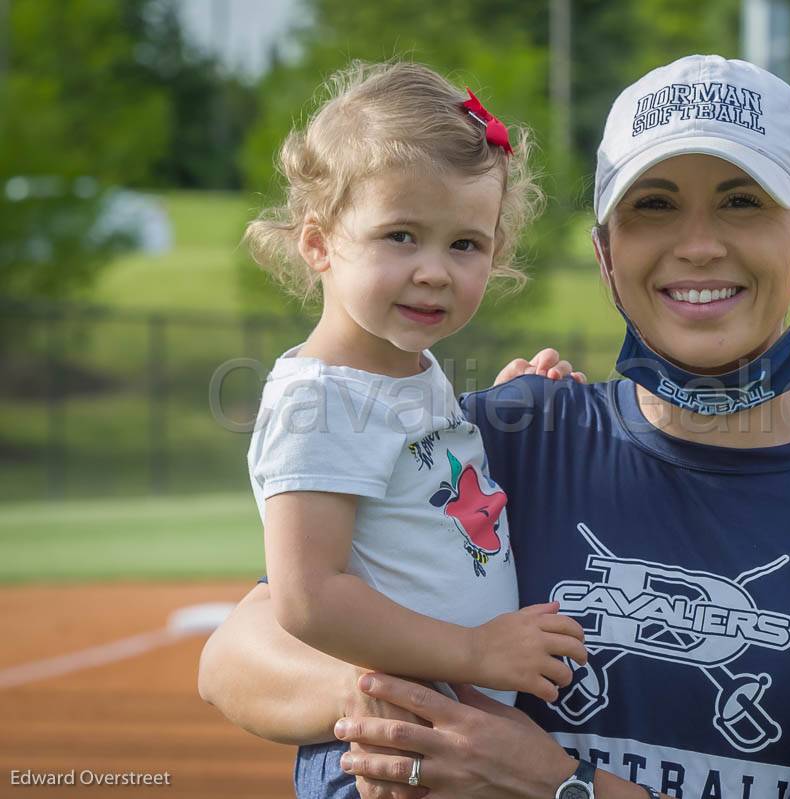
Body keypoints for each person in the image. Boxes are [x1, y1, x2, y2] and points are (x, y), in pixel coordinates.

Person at [200, 54, 790, 799]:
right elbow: (238, 655)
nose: (699, 243)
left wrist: (559, 784)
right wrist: (404, 706)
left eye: (743, 201)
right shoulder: (509, 438)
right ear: (606, 255)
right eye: (654, 205)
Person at [240, 57, 590, 723]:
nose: (433, 271)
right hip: (385, 749)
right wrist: (474, 650)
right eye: (400, 235)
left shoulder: (403, 372)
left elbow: (416, 488)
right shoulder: (320, 400)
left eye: (464, 244)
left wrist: (502, 406)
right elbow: (308, 597)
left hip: (447, 727)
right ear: (319, 242)